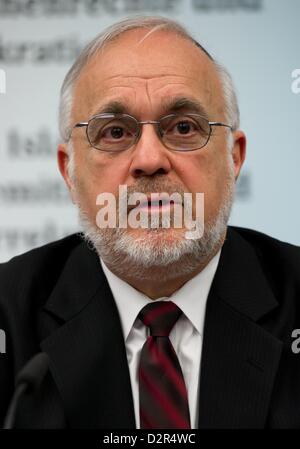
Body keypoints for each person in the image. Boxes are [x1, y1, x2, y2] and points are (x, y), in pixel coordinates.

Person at [0, 15, 300, 429]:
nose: (149, 160)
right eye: (115, 133)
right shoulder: (9, 316)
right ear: (69, 172)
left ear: (233, 158)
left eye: (182, 127)